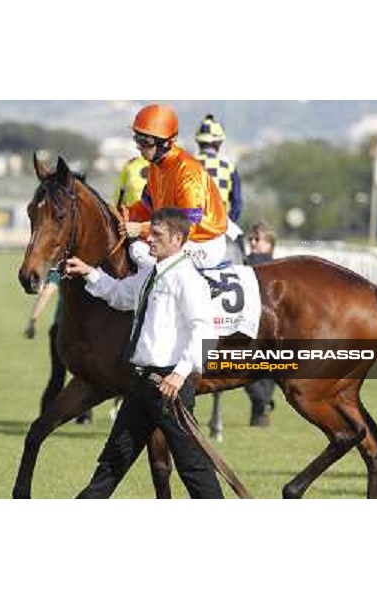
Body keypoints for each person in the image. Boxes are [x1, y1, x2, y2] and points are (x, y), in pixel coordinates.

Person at [66, 207, 224, 499]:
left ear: (177, 239)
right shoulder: (151, 273)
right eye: (151, 233)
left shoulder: (187, 279)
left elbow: (204, 330)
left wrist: (179, 374)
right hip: (141, 385)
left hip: (169, 389)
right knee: (113, 460)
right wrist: (89, 273)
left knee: (194, 469)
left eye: (158, 235)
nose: (149, 239)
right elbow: (120, 294)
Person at [124, 104, 228, 270]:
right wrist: (122, 215)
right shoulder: (155, 167)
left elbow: (189, 222)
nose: (139, 146)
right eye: (137, 138)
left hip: (203, 245)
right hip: (175, 237)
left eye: (146, 141)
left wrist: (143, 229)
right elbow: (146, 206)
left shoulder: (188, 172)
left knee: (140, 251)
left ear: (167, 143)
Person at [23, 269, 92, 424]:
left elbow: (47, 292)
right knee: (85, 375)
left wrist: (32, 321)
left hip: (61, 329)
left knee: (57, 375)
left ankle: (45, 414)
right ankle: (84, 415)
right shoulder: (89, 265)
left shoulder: (61, 268)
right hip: (84, 332)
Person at [194, 114, 245, 255]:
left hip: (190, 225)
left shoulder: (185, 164)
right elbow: (237, 204)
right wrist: (228, 222)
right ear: (219, 143)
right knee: (241, 254)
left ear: (198, 142)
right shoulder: (229, 167)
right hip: (219, 225)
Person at [245, 221, 277, 426]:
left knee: (267, 369)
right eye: (251, 239)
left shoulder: (277, 267)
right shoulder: (244, 262)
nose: (254, 243)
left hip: (269, 323)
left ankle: (261, 407)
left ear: (270, 244)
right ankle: (262, 403)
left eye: (258, 239)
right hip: (248, 321)